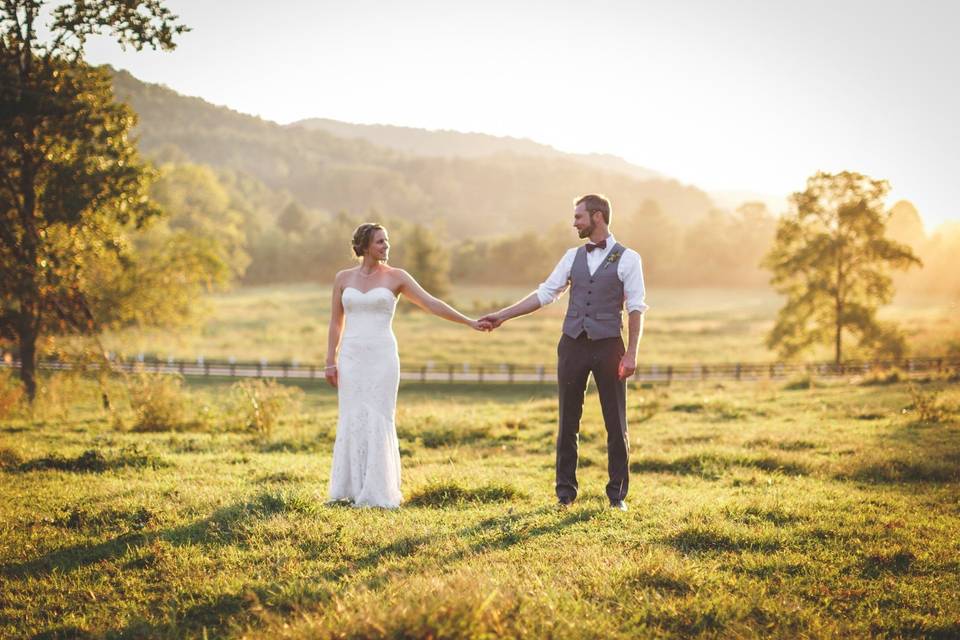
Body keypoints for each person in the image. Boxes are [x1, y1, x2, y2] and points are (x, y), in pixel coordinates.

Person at [480, 194, 648, 511]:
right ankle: (565, 494)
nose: (574, 223)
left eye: (579, 217)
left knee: (616, 422)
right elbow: (546, 293)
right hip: (572, 344)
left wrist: (632, 353)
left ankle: (617, 496)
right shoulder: (572, 257)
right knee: (567, 421)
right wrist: (502, 315)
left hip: (610, 344)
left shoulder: (629, 259)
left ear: (597, 217)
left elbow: (637, 308)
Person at [325, 223, 484, 508]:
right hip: (351, 357)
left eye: (387, 241)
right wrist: (330, 361)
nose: (386, 246)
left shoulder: (397, 277)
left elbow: (431, 303)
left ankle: (377, 491)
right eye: (380, 242)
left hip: (382, 356)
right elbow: (336, 321)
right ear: (364, 246)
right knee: (351, 416)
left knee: (378, 415)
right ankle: (347, 489)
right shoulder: (342, 278)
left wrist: (469, 321)